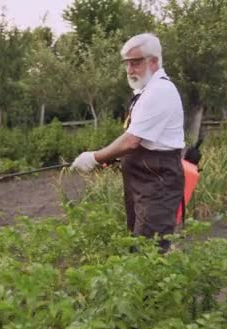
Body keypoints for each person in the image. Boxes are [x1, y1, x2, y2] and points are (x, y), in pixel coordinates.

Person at [70, 33, 185, 252]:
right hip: (144, 181)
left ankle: (153, 286)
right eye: (127, 64)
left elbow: (132, 141)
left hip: (158, 182)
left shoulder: (160, 90)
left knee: (149, 249)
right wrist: (112, 157)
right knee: (137, 240)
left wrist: (94, 157)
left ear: (153, 61)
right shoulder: (146, 91)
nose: (130, 70)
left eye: (136, 63)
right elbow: (139, 140)